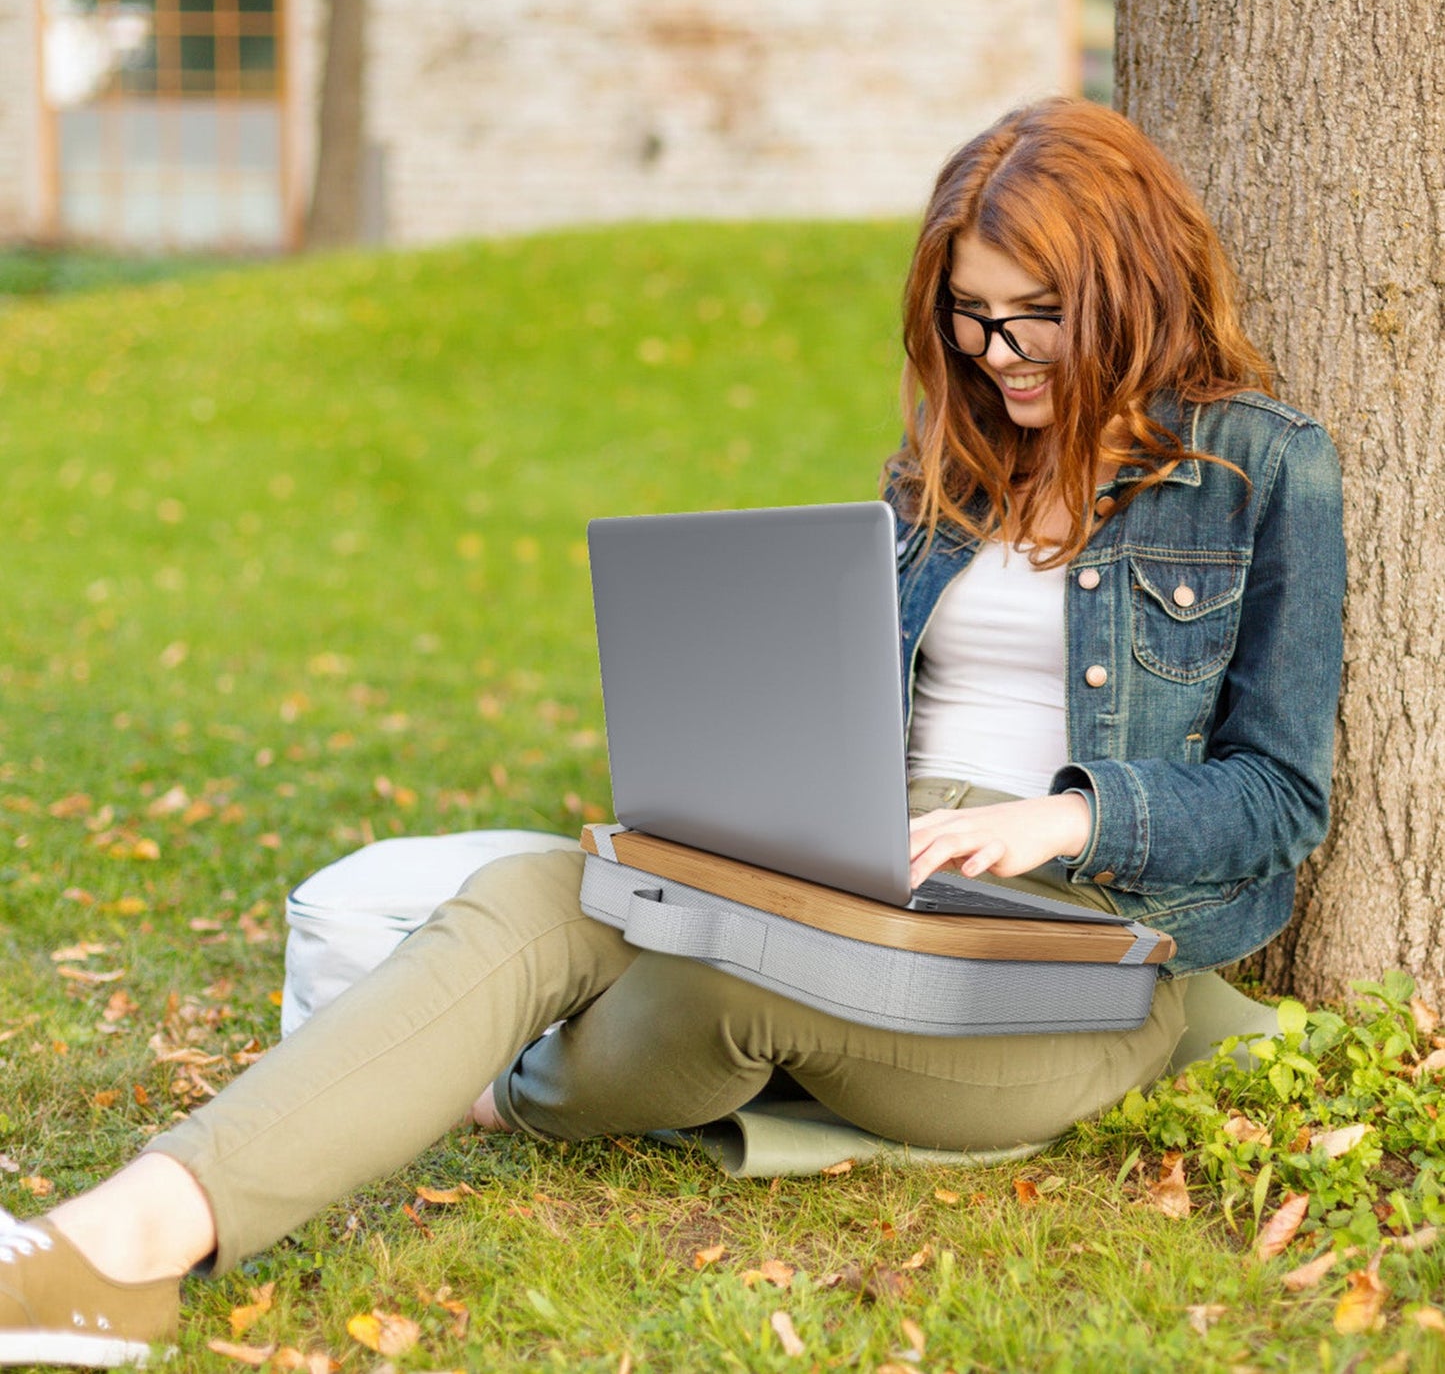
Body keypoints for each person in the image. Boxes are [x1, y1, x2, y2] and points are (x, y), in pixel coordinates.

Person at [0, 97, 1345, 1367]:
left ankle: (509, 1085)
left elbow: (1277, 796)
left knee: (718, 984)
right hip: (869, 886)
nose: (999, 359)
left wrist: (1062, 814)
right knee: (540, 888)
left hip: (1068, 958)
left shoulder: (1260, 468)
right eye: (971, 322)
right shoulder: (952, 462)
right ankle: (118, 1247)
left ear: (1129, 282)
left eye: (1035, 318)